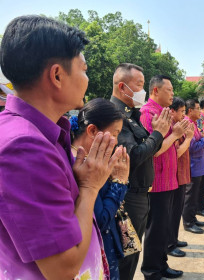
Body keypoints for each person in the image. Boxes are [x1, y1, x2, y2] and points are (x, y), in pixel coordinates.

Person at [0, 16, 124, 279]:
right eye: (83, 69)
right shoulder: (24, 147)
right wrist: (90, 188)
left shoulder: (45, 131)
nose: (87, 79)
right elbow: (63, 268)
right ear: (57, 75)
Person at [110, 63, 170, 280]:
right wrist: (158, 134)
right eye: (139, 85)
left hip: (140, 195)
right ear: (122, 87)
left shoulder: (131, 115)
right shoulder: (115, 115)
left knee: (132, 252)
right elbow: (132, 155)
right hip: (128, 198)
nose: (142, 91)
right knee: (125, 255)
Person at [70, 99, 130, 280]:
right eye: (115, 133)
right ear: (93, 131)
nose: (117, 140)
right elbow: (100, 220)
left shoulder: (89, 158)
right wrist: (119, 183)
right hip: (94, 252)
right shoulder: (83, 167)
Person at [140, 75, 188, 280]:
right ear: (155, 91)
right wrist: (175, 135)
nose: (172, 94)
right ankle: (151, 271)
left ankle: (161, 264)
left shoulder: (164, 113)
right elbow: (155, 150)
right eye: (169, 90)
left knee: (164, 227)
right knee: (155, 229)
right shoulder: (148, 113)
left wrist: (178, 135)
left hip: (169, 178)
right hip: (157, 182)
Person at [167, 97, 194, 258]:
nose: (184, 115)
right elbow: (176, 153)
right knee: (173, 211)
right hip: (174, 176)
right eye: (182, 112)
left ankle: (174, 240)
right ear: (172, 111)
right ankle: (170, 244)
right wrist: (189, 138)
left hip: (181, 174)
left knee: (177, 211)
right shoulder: (173, 128)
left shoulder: (179, 126)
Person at [183, 99, 204, 234]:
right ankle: (188, 222)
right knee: (190, 195)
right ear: (190, 111)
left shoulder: (194, 124)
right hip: (192, 165)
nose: (199, 111)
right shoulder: (187, 125)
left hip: (198, 164)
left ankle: (193, 218)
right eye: (197, 109)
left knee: (195, 195)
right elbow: (192, 147)